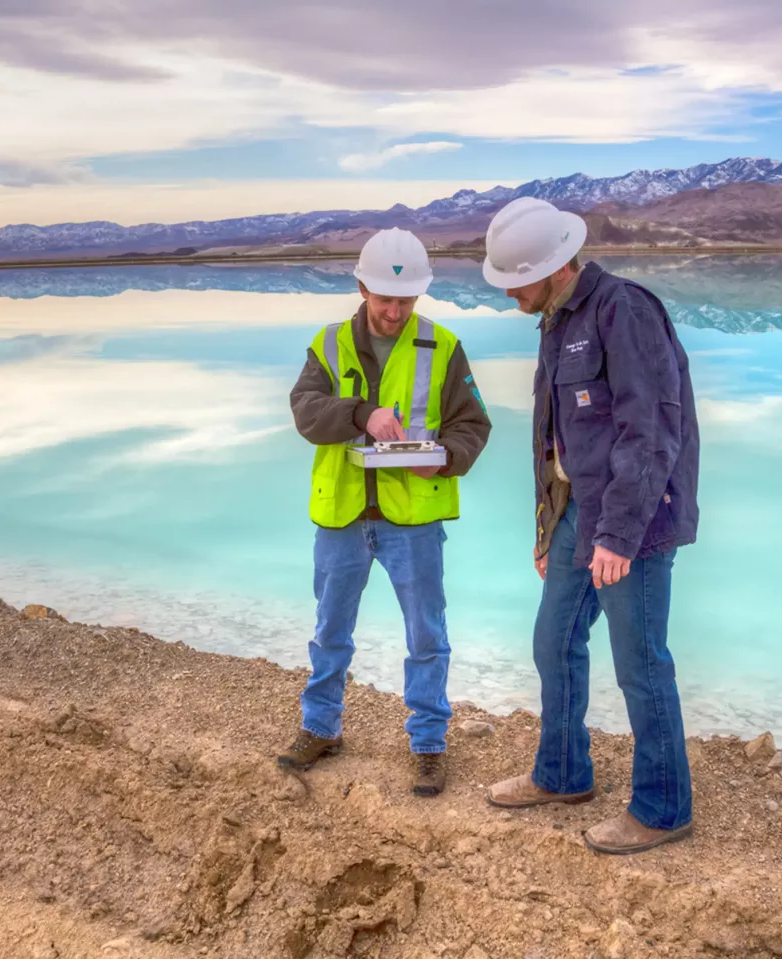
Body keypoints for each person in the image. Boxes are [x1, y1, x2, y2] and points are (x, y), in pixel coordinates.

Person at [480, 197, 700, 854]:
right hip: (583, 512)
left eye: (515, 278)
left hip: (632, 517)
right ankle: (561, 773)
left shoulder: (623, 311)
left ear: (553, 266)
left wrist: (618, 534)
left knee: (639, 663)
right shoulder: (556, 318)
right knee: (553, 641)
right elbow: (554, 439)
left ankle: (662, 808)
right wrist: (549, 523)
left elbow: (650, 430)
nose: (508, 292)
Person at [278, 228, 492, 796]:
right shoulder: (327, 346)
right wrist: (360, 414)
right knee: (330, 631)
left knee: (426, 635)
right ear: (362, 288)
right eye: (385, 299)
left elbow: (474, 426)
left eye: (406, 301)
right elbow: (305, 413)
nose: (395, 311)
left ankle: (428, 744)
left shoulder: (442, 346)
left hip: (414, 518)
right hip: (343, 515)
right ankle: (320, 728)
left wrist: (446, 458)